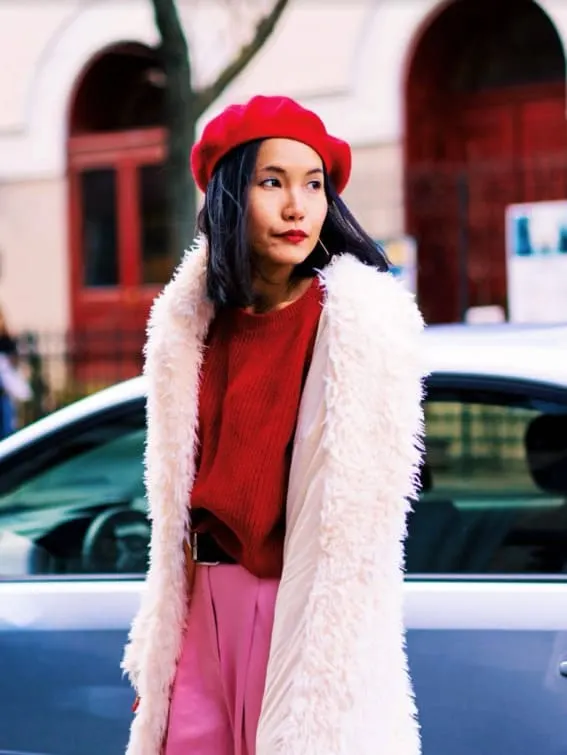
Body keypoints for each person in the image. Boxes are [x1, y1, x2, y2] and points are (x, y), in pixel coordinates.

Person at [122, 95, 426, 755]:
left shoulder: (351, 325)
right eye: (273, 182)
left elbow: (359, 524)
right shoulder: (190, 326)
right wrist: (163, 648)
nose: (297, 206)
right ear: (232, 194)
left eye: (313, 184)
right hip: (201, 609)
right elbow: (174, 505)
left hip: (293, 609)